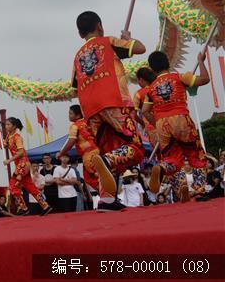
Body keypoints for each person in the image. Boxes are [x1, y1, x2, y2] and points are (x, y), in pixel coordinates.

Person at [71, 11, 146, 212]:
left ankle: (107, 198)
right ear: (100, 26)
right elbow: (140, 48)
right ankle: (106, 162)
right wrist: (128, 40)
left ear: (80, 34)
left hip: (90, 109)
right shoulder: (108, 41)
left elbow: (74, 84)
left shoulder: (78, 57)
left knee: (108, 150)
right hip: (114, 100)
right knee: (135, 148)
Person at [143, 50, 210, 203]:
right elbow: (205, 79)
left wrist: (157, 123)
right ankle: (198, 192)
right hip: (180, 118)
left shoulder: (150, 88)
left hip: (161, 124)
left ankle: (174, 183)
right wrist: (200, 61)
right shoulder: (179, 77)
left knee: (172, 159)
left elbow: (145, 111)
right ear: (168, 63)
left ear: (152, 69)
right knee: (196, 155)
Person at [3, 118, 52, 216]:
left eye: (8, 124)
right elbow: (6, 146)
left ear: (14, 126)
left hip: (23, 164)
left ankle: (24, 208)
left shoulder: (17, 137)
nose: (6, 126)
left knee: (13, 186)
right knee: (30, 186)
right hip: (20, 164)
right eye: (6, 124)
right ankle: (45, 206)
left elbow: (21, 152)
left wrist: (9, 160)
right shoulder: (9, 135)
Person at [57, 104, 99, 194]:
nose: (69, 115)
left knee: (93, 177)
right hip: (97, 151)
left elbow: (71, 141)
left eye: (71, 113)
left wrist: (61, 153)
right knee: (99, 174)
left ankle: (107, 198)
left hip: (88, 155)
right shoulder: (88, 122)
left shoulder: (75, 126)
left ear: (78, 115)